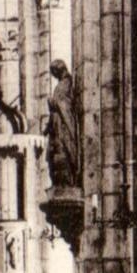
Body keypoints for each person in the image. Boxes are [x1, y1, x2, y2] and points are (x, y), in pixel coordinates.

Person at [46, 60, 81, 189]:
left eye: (54, 73)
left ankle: (67, 180)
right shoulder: (61, 84)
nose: (54, 76)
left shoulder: (66, 83)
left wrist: (53, 102)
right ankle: (59, 181)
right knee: (55, 151)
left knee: (65, 148)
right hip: (57, 124)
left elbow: (65, 103)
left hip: (64, 123)